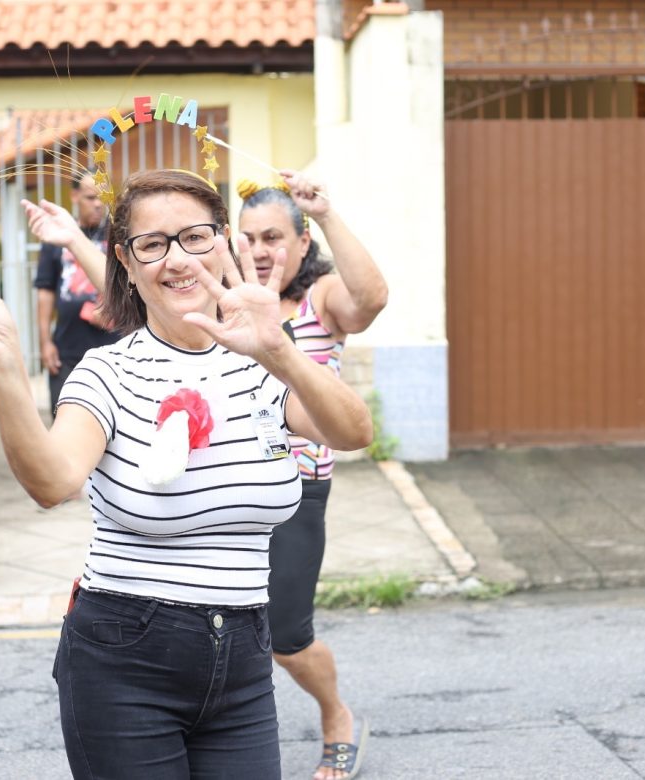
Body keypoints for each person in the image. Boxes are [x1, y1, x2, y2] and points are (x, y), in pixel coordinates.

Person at [0, 169, 373, 779]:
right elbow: (52, 482)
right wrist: (2, 365)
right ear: (127, 265)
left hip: (243, 658)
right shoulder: (106, 373)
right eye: (153, 245)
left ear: (225, 243)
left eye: (195, 236)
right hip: (126, 658)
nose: (178, 258)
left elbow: (352, 433)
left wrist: (281, 352)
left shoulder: (264, 363)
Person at [238, 172, 387, 780]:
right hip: (234, 483)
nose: (260, 250)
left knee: (285, 635)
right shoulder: (234, 296)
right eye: (247, 239)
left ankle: (336, 715)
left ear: (301, 243)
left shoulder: (321, 298)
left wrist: (326, 212)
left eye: (273, 236)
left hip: (300, 491)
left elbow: (371, 300)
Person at [34, 172, 117, 418]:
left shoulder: (119, 236)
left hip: (114, 348)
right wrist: (45, 342)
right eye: (91, 197)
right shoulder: (57, 237)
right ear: (75, 196)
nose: (98, 204)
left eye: (103, 198)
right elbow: (45, 291)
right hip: (67, 350)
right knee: (63, 418)